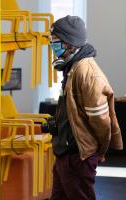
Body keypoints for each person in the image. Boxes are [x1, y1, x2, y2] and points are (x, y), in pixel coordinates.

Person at [49, 15, 123, 200]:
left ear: (69, 43)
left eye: (55, 41)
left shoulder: (86, 72)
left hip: (78, 157)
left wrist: (99, 151)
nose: (51, 45)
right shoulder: (72, 67)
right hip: (65, 154)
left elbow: (101, 121)